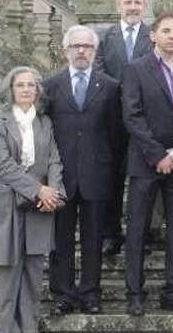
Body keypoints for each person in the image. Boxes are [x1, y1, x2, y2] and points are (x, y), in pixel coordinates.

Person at [122, 12, 173, 316]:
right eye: (165, 31)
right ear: (152, 35)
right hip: (145, 161)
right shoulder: (136, 69)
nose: (171, 36)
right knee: (138, 228)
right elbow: (132, 116)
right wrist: (158, 155)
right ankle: (135, 293)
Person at [44, 26, 121, 316]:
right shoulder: (51, 86)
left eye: (87, 46)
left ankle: (90, 293)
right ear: (65, 50)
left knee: (93, 239)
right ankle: (63, 294)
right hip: (60, 177)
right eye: (75, 46)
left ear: (95, 50)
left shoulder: (110, 86)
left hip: (97, 175)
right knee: (60, 239)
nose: (81, 51)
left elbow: (116, 134)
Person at [0, 66, 65, 333]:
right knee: (9, 275)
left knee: (33, 274)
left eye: (31, 85)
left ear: (38, 90)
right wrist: (38, 190)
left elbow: (54, 159)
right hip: (8, 204)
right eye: (20, 85)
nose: (26, 90)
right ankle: (7, 329)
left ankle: (29, 328)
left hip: (40, 207)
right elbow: (3, 165)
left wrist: (54, 192)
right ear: (11, 89)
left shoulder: (45, 122)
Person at [93, 0, 154, 256]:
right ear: (119, 6)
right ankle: (111, 233)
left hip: (144, 118)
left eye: (137, 3)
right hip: (113, 119)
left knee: (144, 179)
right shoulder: (106, 37)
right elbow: (98, 72)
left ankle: (143, 234)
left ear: (144, 6)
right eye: (127, 2)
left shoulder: (153, 38)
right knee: (113, 178)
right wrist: (123, 92)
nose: (132, 7)